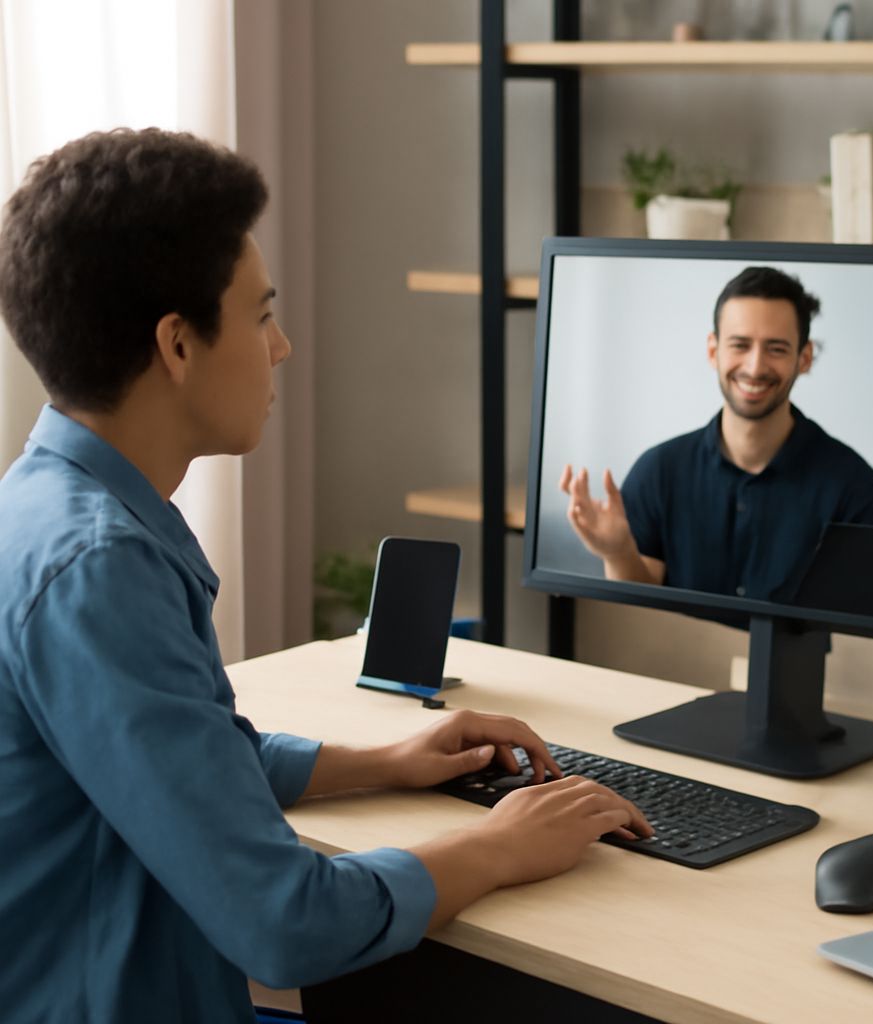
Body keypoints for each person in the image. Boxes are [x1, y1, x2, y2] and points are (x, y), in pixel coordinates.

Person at [0, 129, 651, 1024]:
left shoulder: (49, 506)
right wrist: (498, 844)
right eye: (261, 313)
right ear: (177, 345)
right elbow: (285, 923)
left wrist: (386, 762)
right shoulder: (100, 571)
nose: (283, 347)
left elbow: (182, 766)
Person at [560, 266, 873, 602]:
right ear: (713, 350)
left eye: (776, 348)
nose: (755, 367)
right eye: (740, 345)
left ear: (804, 358)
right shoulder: (658, 470)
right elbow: (641, 609)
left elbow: (867, 625)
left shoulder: (852, 485)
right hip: (679, 656)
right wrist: (618, 553)